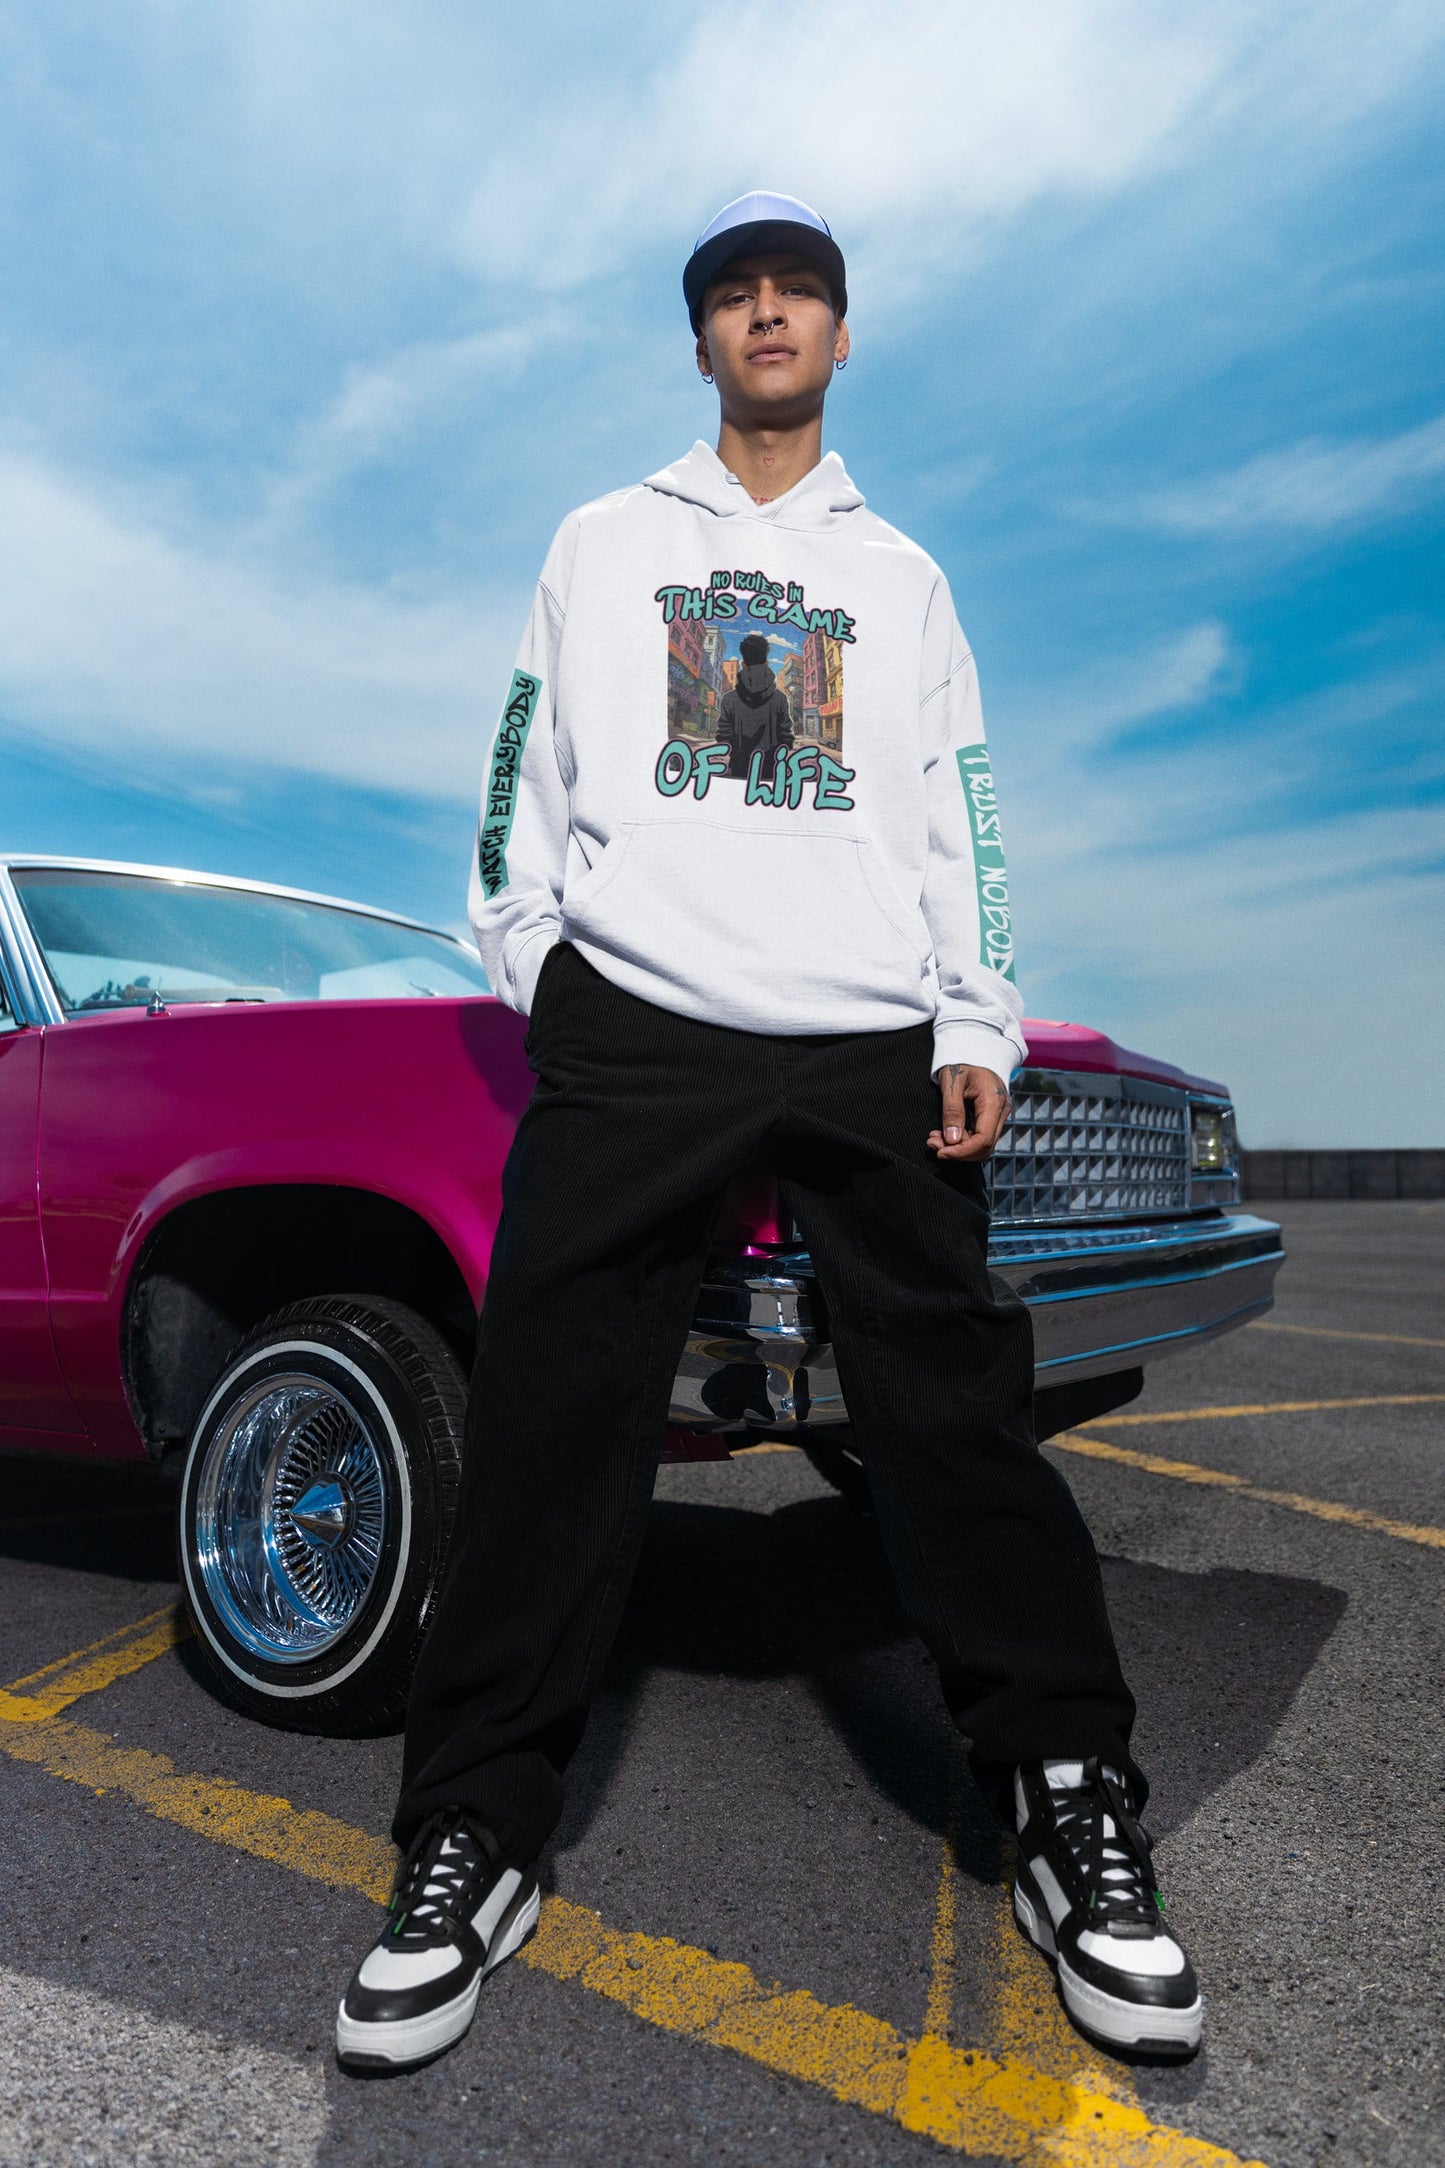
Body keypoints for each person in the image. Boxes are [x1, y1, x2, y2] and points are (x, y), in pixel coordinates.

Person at [335, 190, 1203, 2072]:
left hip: (869, 1030)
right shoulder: (603, 540)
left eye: (798, 290)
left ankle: (1065, 1792)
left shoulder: (901, 576)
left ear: (839, 332)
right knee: (553, 1406)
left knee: (953, 1407)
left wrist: (974, 1013)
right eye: (735, 294)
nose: (768, 314)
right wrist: (546, 972)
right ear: (703, 340)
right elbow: (516, 779)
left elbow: (960, 805)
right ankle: (473, 1828)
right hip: (639, 1023)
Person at [717, 630, 794, 782]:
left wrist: (737, 752)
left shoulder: (728, 699)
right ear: (766, 663)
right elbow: (786, 737)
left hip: (738, 770)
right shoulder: (780, 699)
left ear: (743, 664)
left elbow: (723, 737)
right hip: (771, 771)